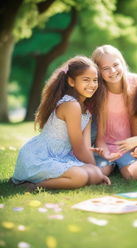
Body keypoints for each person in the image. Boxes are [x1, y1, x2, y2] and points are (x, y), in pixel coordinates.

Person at [12, 56, 111, 190]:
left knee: (95, 175)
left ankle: (81, 174)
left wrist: (96, 172)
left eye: (95, 80)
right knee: (81, 177)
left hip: (61, 157)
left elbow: (86, 147)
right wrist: (94, 169)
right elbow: (78, 148)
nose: (92, 85)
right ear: (71, 81)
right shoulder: (70, 105)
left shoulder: (87, 113)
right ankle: (33, 186)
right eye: (86, 80)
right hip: (39, 157)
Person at [91, 44, 137, 180]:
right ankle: (111, 165)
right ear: (98, 72)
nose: (112, 71)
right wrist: (106, 153)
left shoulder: (136, 82)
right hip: (107, 146)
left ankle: (119, 165)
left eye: (116, 65)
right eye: (105, 68)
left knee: (133, 175)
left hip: (131, 145)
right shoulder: (99, 93)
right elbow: (100, 137)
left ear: (122, 63)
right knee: (100, 173)